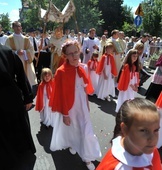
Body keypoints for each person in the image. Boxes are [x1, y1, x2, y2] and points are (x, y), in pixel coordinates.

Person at [50, 40, 101, 170]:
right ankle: (73, 143)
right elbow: (61, 94)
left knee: (86, 131)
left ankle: (87, 157)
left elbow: (84, 89)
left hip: (82, 104)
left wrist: (87, 104)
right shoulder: (61, 72)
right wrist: (65, 114)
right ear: (65, 56)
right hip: (70, 106)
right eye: (70, 53)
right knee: (74, 128)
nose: (74, 56)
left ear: (80, 51)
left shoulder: (83, 67)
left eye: (76, 52)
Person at [0, 29, 36, 169]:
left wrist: (28, 97)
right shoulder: (9, 40)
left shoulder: (5, 52)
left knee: (15, 138)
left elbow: (20, 76)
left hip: (9, 104)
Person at [97, 98, 161, 170]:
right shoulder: (114, 167)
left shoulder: (151, 150)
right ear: (124, 129)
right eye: (143, 130)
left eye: (156, 130)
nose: (153, 139)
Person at [5, 21, 37, 88]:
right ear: (13, 27)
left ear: (21, 27)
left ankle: (28, 90)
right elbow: (6, 50)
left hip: (25, 61)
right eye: (16, 26)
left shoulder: (26, 39)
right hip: (14, 61)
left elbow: (31, 50)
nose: (18, 28)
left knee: (27, 79)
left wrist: (25, 52)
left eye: (19, 26)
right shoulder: (9, 39)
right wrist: (16, 52)